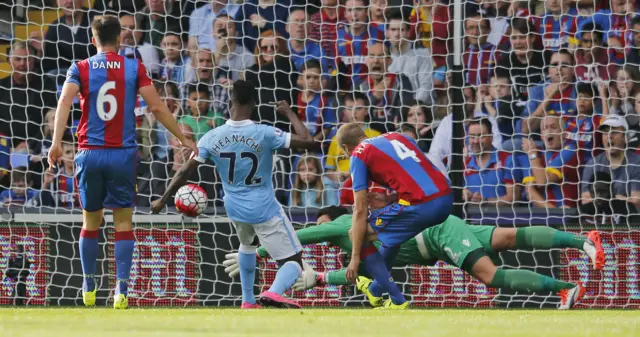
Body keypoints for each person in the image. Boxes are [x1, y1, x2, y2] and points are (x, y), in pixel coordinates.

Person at [48, 15, 197, 310]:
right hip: (122, 154)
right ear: (119, 39)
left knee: (91, 221)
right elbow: (156, 106)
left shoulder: (80, 68)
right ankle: (121, 291)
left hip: (89, 153)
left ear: (93, 40)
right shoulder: (134, 66)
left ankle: (89, 284)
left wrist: (55, 143)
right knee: (123, 222)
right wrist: (181, 137)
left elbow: (64, 102)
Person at [224, 206, 604, 310]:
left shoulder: (341, 224)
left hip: (437, 236)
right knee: (507, 237)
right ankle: (580, 244)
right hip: (440, 230)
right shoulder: (361, 250)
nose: (327, 234)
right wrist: (322, 279)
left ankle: (565, 286)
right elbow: (359, 276)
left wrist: (257, 250)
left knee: (489, 275)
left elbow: (302, 234)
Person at [151, 80, 317, 309]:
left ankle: (248, 300)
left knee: (247, 245)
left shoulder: (212, 136)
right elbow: (309, 141)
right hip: (264, 208)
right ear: (254, 104)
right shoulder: (265, 133)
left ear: (230, 103)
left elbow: (184, 170)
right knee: (294, 262)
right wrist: (289, 112)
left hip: (235, 208)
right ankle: (274, 292)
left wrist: (163, 198)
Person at [336, 123, 453, 309]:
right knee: (391, 235)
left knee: (357, 234)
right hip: (446, 196)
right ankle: (375, 290)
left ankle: (398, 300)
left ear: (345, 148)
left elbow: (359, 211)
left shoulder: (358, 154)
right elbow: (419, 171)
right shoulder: (397, 136)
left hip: (422, 204)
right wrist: (389, 198)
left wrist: (355, 258)